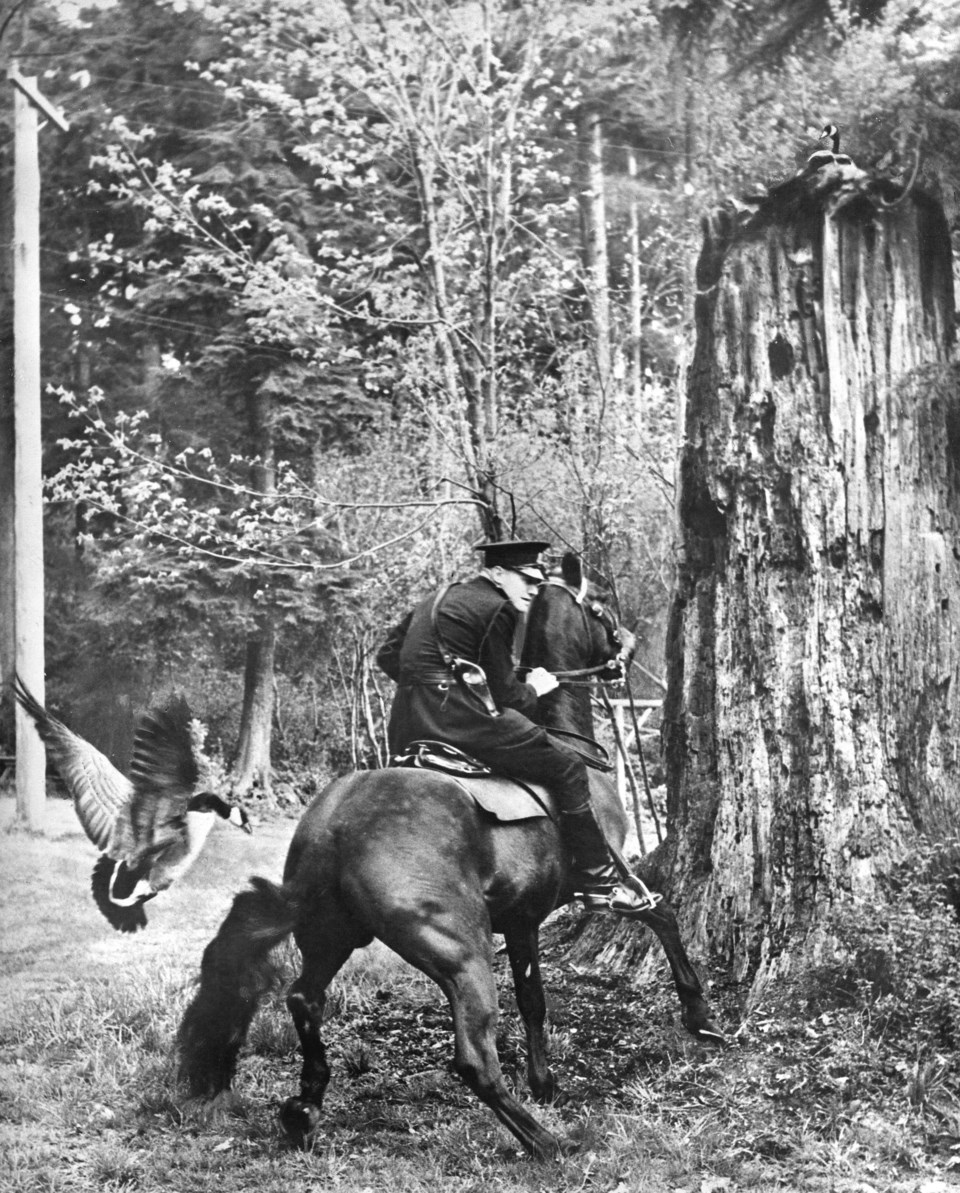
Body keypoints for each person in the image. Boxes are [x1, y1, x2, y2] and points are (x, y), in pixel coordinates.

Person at [376, 539, 646, 914]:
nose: (534, 589)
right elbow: (509, 697)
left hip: (409, 726)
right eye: (526, 579)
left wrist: (438, 687)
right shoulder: (498, 608)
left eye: (537, 582)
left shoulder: (439, 597)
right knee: (567, 766)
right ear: (498, 573)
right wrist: (536, 686)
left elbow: (388, 655)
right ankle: (599, 882)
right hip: (467, 727)